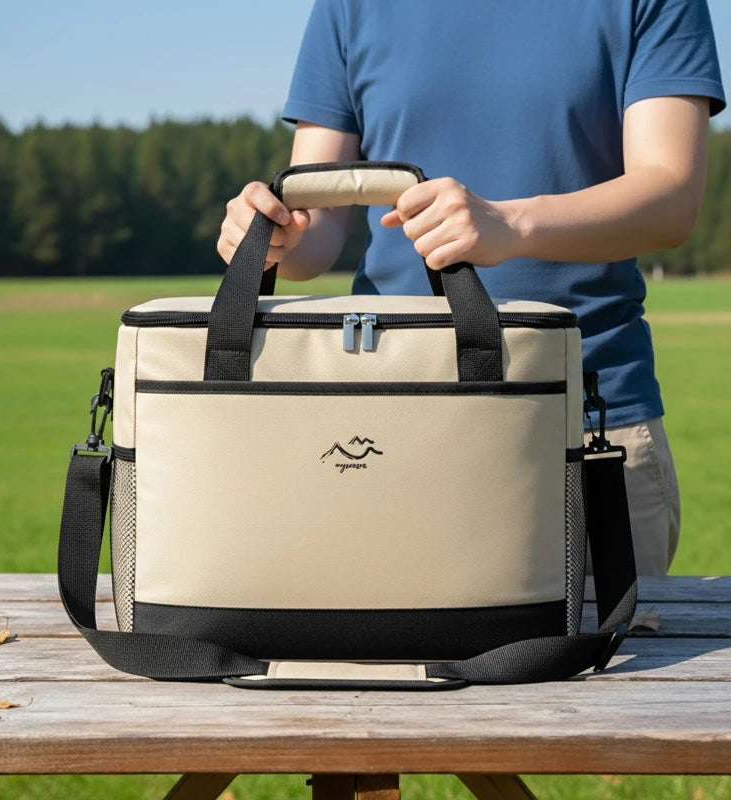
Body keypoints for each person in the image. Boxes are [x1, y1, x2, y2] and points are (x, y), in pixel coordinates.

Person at [217, 0, 726, 575]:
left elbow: (671, 198)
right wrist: (272, 232)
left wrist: (510, 225)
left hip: (586, 429)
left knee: (605, 666)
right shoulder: (348, 6)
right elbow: (318, 223)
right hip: (383, 424)